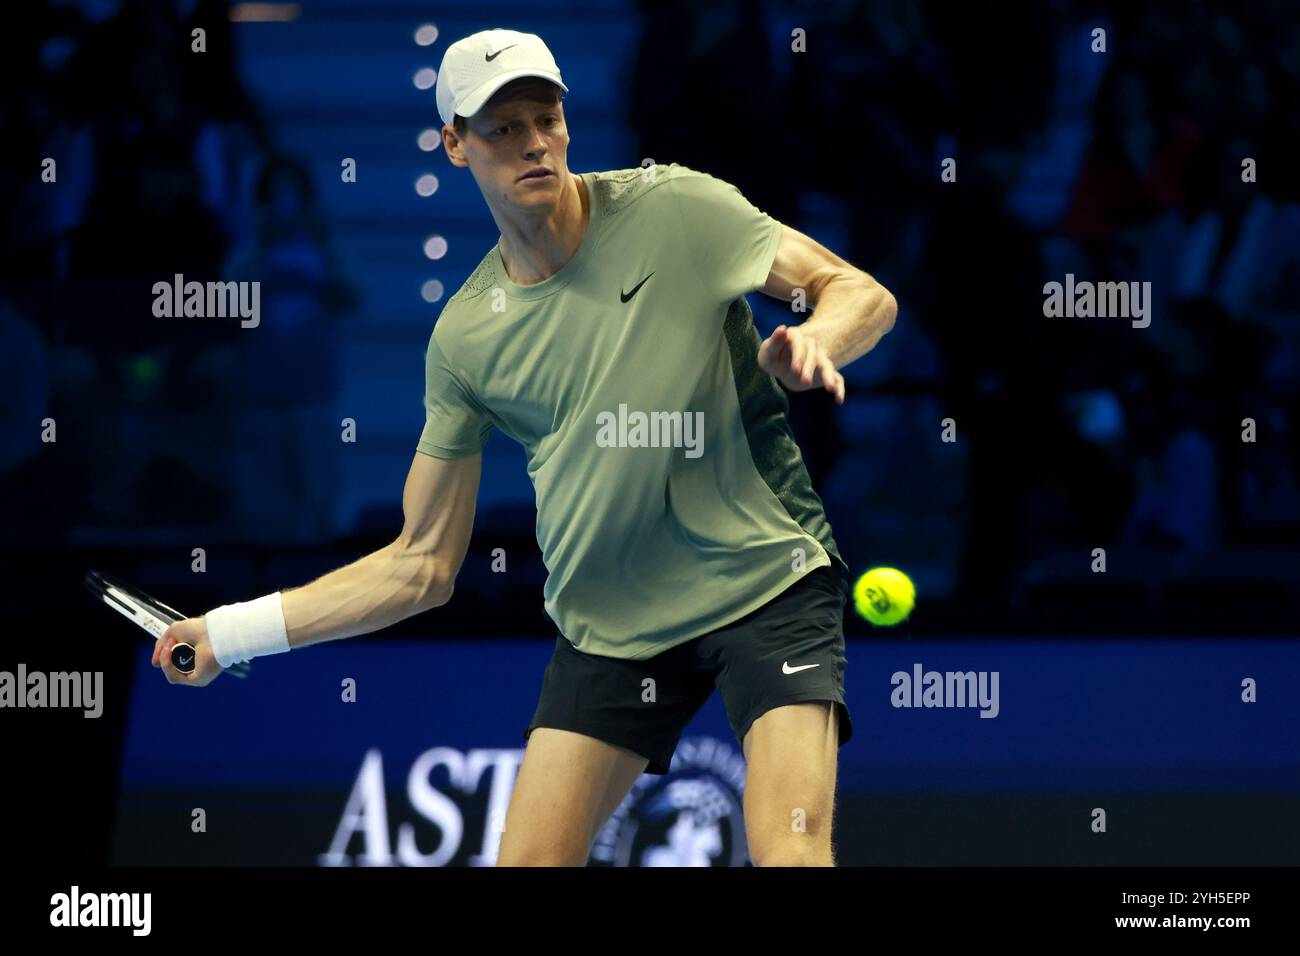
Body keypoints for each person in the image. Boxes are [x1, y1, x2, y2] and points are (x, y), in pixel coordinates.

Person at [155, 29, 897, 867]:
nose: (533, 141)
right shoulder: (468, 337)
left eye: (545, 118)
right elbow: (420, 566)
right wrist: (231, 631)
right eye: (502, 128)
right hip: (609, 625)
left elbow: (855, 290)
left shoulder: (679, 208)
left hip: (767, 582)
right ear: (455, 145)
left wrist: (819, 340)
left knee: (792, 854)